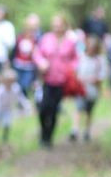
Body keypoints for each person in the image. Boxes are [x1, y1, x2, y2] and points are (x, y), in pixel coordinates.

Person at [32, 14, 78, 148]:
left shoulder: (70, 42)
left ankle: (48, 137)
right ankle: (43, 132)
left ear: (64, 26)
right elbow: (37, 53)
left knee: (53, 109)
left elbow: (75, 59)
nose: (57, 28)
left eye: (60, 25)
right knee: (43, 108)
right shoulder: (46, 38)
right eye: (55, 25)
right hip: (46, 79)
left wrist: (71, 69)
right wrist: (41, 63)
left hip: (62, 81)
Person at [0, 68, 30, 149]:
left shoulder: (16, 88)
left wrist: (27, 106)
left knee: (7, 125)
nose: (10, 83)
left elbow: (21, 98)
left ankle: (4, 141)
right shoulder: (0, 88)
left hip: (8, 110)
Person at [73, 35, 109, 141]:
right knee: (78, 108)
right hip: (80, 89)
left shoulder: (100, 60)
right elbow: (76, 72)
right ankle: (74, 130)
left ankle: (87, 131)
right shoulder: (81, 57)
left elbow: (101, 76)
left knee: (89, 110)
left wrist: (91, 80)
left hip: (93, 91)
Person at [12, 13, 41, 99]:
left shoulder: (37, 39)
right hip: (18, 64)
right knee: (18, 85)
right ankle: (21, 103)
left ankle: (26, 101)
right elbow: (15, 50)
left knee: (25, 84)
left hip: (29, 66)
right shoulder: (20, 37)